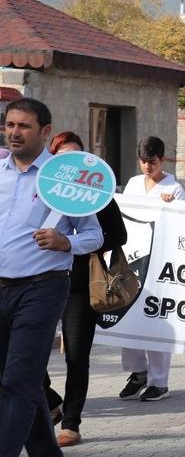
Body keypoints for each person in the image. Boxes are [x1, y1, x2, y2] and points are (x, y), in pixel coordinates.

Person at [0, 98, 104, 457]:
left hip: (43, 286)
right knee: (13, 383)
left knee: (19, 379)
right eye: (10, 124)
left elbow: (95, 235)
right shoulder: (0, 170)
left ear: (45, 132)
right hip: (1, 285)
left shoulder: (63, 176)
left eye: (23, 126)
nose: (14, 132)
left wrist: (66, 242)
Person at [42, 132, 127, 447]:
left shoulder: (97, 196)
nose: (72, 166)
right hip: (40, 280)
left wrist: (80, 242)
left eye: (77, 158)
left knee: (77, 356)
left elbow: (119, 234)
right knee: (24, 350)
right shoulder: (40, 192)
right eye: (64, 159)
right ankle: (51, 401)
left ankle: (72, 423)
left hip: (81, 285)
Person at [119, 136, 185, 402]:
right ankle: (138, 372)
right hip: (132, 260)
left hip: (159, 263)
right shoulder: (134, 184)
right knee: (128, 319)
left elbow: (182, 226)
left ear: (163, 160)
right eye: (144, 162)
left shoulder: (174, 188)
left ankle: (159, 381)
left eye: (153, 162)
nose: (148, 167)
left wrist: (172, 208)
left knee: (156, 322)